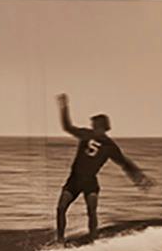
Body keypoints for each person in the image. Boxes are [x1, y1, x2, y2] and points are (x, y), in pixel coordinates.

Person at [53, 92, 151, 241]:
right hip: (74, 180)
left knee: (91, 211)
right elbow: (67, 127)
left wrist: (139, 178)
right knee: (61, 208)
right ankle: (60, 240)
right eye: (93, 126)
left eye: (95, 126)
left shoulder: (110, 146)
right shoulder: (86, 134)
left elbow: (125, 163)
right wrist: (64, 107)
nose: (93, 128)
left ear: (103, 127)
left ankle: (93, 240)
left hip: (90, 182)